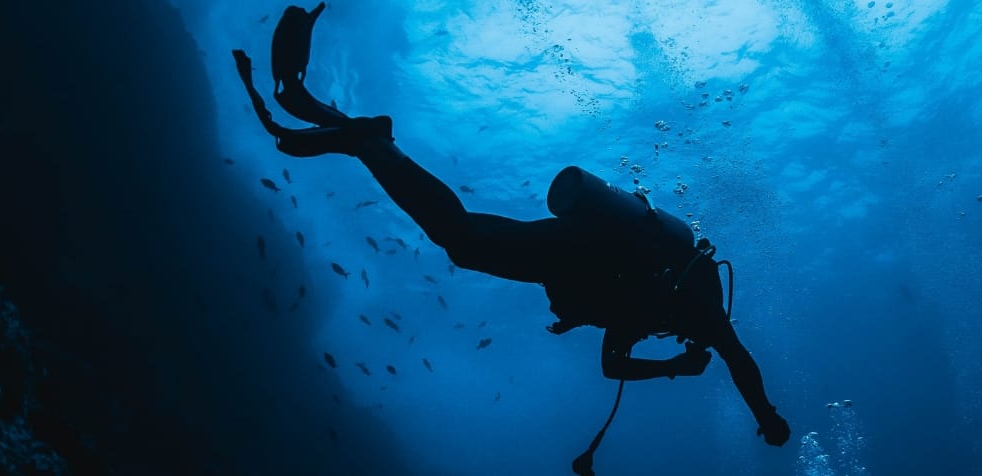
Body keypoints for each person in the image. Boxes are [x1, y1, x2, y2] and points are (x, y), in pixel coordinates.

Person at [231, 3, 791, 470]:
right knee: (464, 240)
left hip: (572, 255)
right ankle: (366, 142)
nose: (684, 342)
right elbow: (741, 362)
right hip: (583, 247)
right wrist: (765, 417)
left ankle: (364, 137)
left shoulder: (653, 318)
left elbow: (611, 367)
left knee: (463, 241)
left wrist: (671, 367)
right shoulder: (701, 305)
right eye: (686, 344)